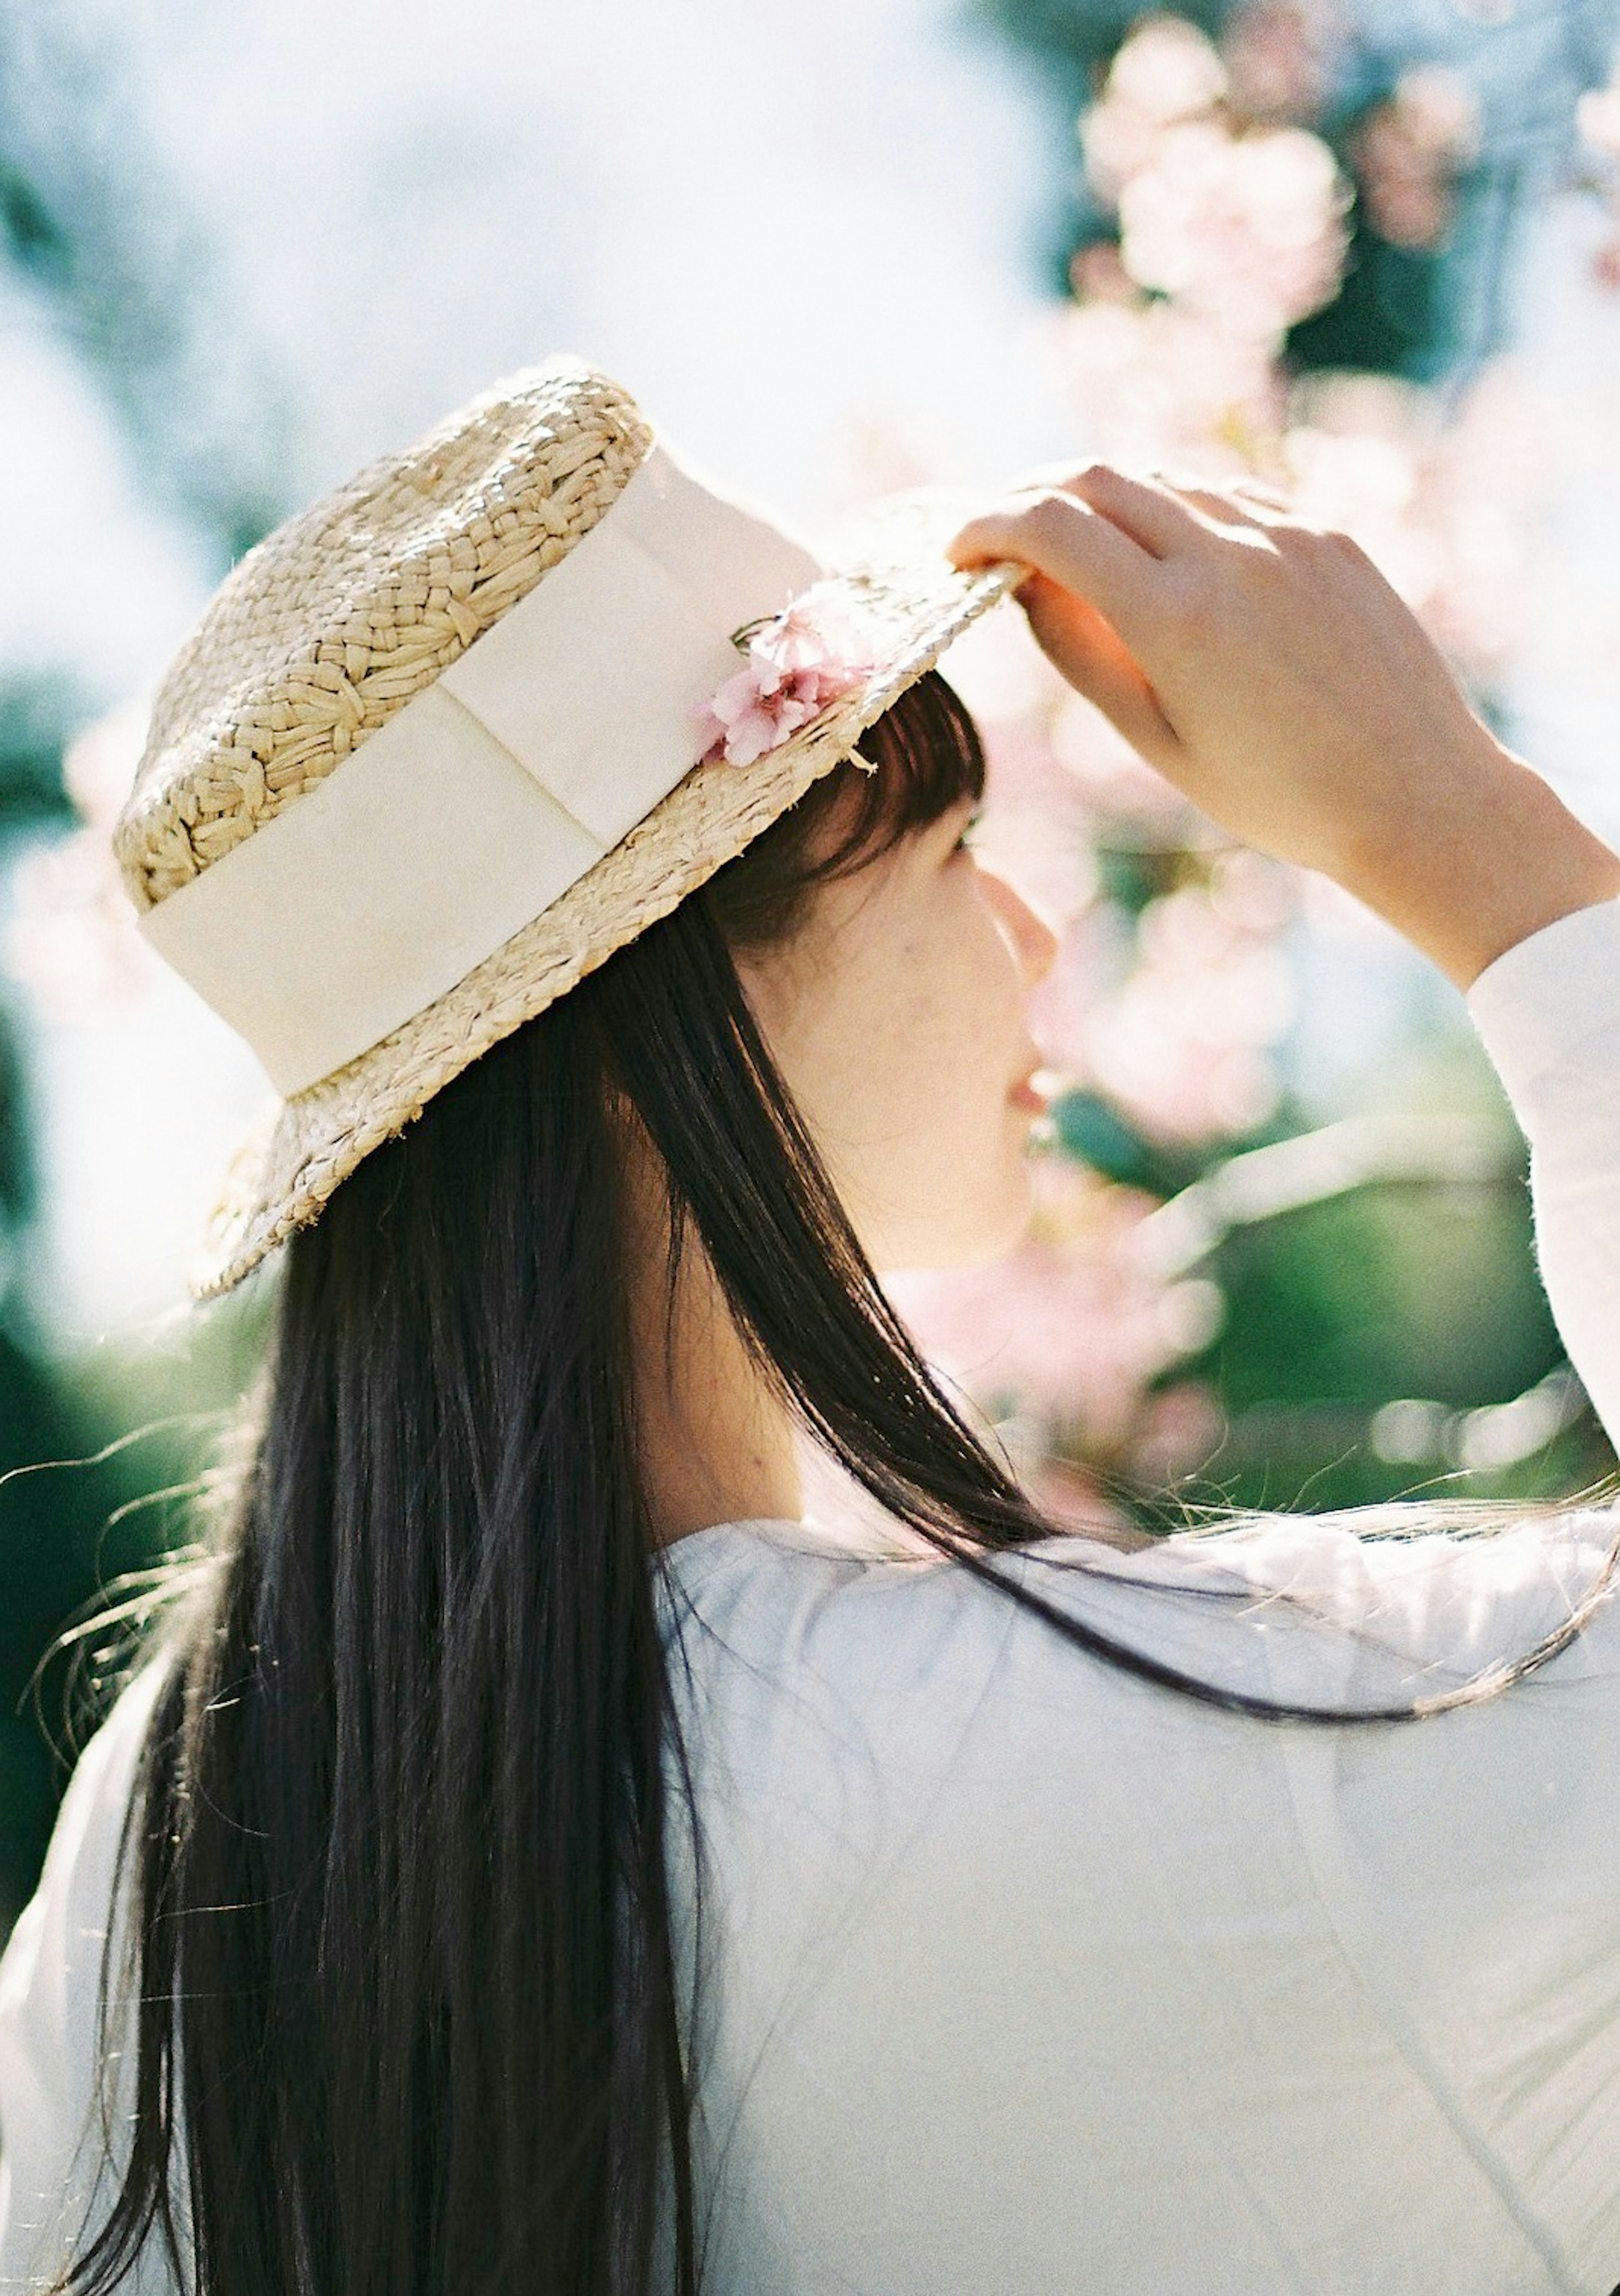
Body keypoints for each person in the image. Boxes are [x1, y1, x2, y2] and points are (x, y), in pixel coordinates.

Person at [3, 356, 1620, 2296]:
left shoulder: (154, 1862)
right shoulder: (1121, 1759)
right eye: (944, 851)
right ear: (662, 1032)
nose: (1033, 939)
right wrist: (1480, 850)